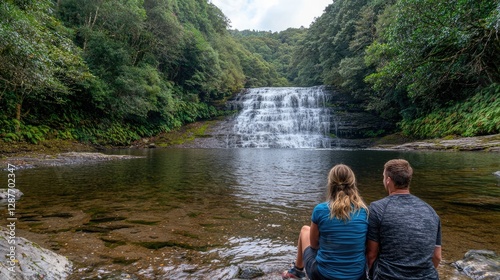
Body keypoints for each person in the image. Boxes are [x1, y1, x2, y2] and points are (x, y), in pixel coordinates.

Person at [282, 164, 369, 280]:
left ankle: (297, 271)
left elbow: (313, 245)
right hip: (357, 276)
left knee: (305, 230)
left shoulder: (320, 209)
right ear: (353, 184)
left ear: (330, 183)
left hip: (323, 275)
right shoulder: (364, 211)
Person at [366, 159, 442, 280]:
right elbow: (437, 256)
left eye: (383, 176)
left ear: (388, 180)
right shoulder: (431, 211)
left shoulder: (377, 208)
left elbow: (371, 255)